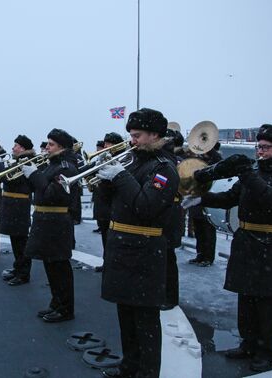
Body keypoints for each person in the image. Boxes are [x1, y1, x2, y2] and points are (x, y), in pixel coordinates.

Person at [184, 124, 272, 372]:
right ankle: (248, 343)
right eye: (259, 146)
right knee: (246, 296)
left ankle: (266, 351)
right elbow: (229, 197)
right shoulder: (257, 171)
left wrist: (247, 172)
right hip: (247, 239)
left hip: (270, 242)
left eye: (265, 147)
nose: (260, 151)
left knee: (268, 301)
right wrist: (202, 198)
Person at [98, 108, 179, 378]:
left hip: (144, 249)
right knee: (126, 316)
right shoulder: (133, 161)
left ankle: (147, 372)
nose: (132, 140)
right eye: (131, 135)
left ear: (155, 134)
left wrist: (120, 176)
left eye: (137, 135)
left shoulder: (164, 168)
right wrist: (105, 178)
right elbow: (111, 202)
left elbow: (146, 206)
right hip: (122, 245)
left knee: (145, 320)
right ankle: (128, 366)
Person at [22, 128, 78, 323]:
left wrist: (35, 175)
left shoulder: (66, 167)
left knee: (60, 267)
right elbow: (39, 191)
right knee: (51, 266)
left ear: (61, 147)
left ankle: (65, 309)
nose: (46, 147)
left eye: (51, 144)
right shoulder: (51, 164)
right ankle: (56, 304)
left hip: (57, 222)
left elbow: (53, 195)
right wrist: (30, 175)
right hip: (46, 221)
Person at [0, 135, 35, 285]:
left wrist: (2, 167)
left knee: (21, 241)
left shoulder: (28, 162)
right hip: (12, 204)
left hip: (19, 205)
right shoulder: (18, 161)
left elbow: (6, 179)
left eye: (16, 146)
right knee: (15, 240)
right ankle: (18, 267)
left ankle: (24, 274)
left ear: (23, 148)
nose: (13, 148)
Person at [92, 132, 124, 273]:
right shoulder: (105, 158)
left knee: (115, 240)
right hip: (103, 204)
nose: (105, 146)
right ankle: (107, 262)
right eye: (105, 143)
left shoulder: (122, 158)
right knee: (106, 237)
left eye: (108, 143)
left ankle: (114, 265)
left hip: (114, 205)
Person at [186, 143, 222, 266]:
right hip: (196, 196)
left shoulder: (215, 160)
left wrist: (210, 151)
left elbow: (219, 164)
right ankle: (200, 254)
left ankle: (208, 257)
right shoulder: (196, 159)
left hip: (208, 197)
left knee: (208, 229)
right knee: (198, 228)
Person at [161, 128, 185, 310]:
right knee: (165, 256)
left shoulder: (174, 162)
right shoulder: (172, 160)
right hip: (170, 210)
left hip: (171, 211)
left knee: (168, 257)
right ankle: (165, 294)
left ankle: (170, 297)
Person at [92, 140, 106, 233]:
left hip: (103, 189)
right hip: (98, 189)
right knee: (98, 209)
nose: (97, 150)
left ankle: (103, 226)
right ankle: (100, 225)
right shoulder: (98, 159)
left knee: (102, 209)